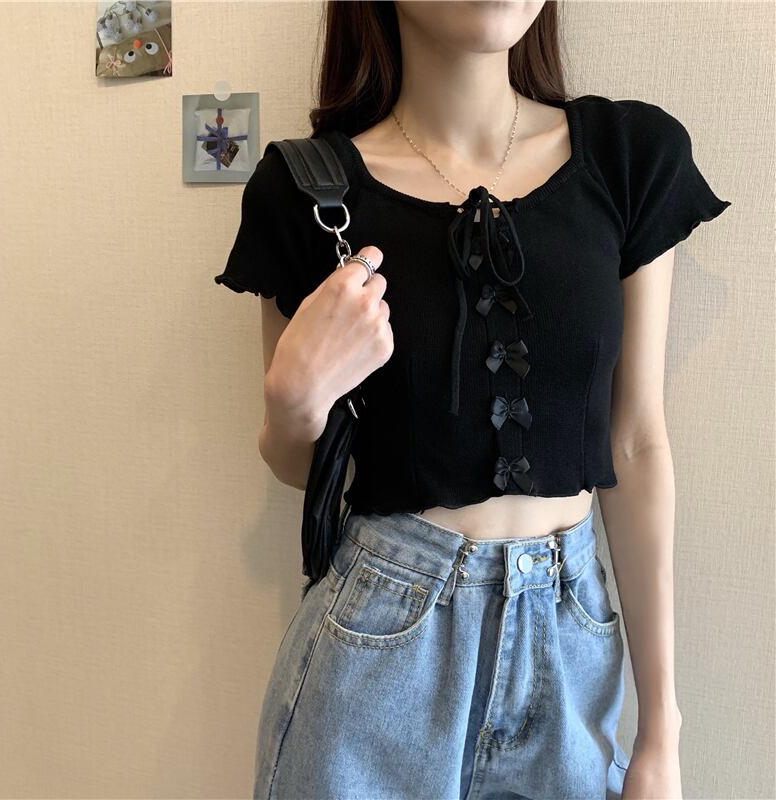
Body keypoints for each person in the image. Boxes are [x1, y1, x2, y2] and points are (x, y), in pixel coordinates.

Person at [214, 2, 731, 798]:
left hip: (570, 643)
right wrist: (291, 403)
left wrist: (661, 728)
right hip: (378, 641)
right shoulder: (307, 188)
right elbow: (300, 465)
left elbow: (636, 442)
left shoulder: (629, 156)